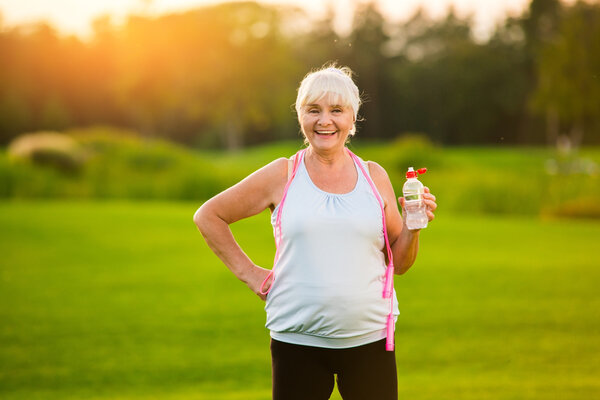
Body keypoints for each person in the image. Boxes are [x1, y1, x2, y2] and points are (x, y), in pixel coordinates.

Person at [193, 64, 437, 400]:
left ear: (352, 118)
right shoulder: (282, 174)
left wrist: (414, 227)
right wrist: (251, 275)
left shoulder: (374, 176)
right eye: (313, 110)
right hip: (297, 343)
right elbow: (209, 215)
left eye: (336, 110)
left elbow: (401, 262)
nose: (325, 121)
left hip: (371, 340)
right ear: (300, 116)